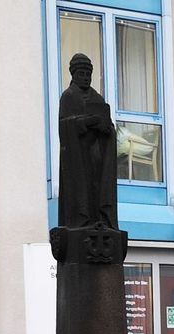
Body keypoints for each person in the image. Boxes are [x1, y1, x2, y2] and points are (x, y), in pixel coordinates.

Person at [57, 53, 117, 229]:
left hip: (96, 154)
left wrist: (107, 129)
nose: (85, 78)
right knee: (80, 190)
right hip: (77, 156)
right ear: (73, 75)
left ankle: (100, 218)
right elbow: (64, 126)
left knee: (97, 188)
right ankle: (81, 220)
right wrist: (85, 122)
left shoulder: (97, 98)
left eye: (88, 74)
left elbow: (109, 125)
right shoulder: (68, 96)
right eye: (81, 74)